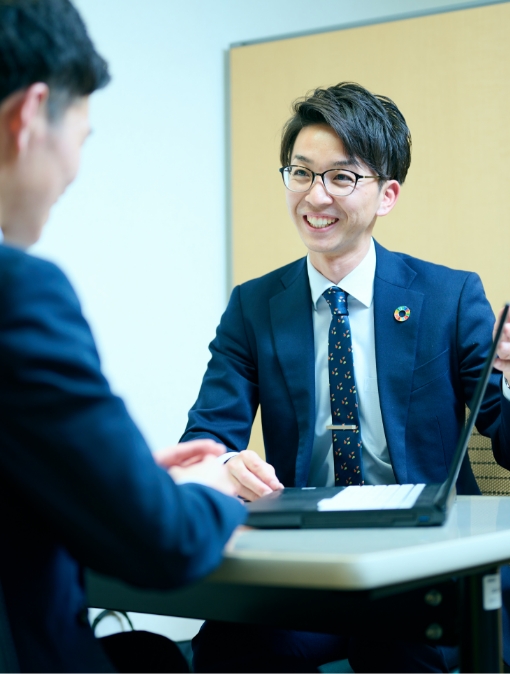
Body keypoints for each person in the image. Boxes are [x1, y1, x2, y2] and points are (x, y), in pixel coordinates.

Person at [182, 82, 510, 672]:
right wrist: (227, 462)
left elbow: (506, 441)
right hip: (311, 562)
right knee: (229, 647)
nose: (315, 195)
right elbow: (204, 439)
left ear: (386, 195)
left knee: (399, 649)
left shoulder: (449, 296)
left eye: (341, 176)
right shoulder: (254, 306)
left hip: (426, 561)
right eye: (301, 173)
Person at [0, 1, 246, 672]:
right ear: (30, 116)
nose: (75, 170)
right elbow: (164, 542)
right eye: (84, 136)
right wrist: (215, 488)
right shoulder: (19, 292)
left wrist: (122, 478)